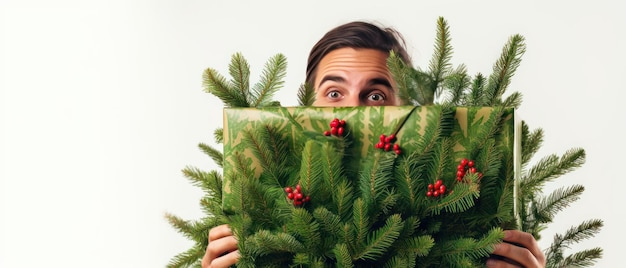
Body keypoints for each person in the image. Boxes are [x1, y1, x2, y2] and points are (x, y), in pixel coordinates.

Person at [202, 21, 546, 268]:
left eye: (376, 94)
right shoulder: (265, 189)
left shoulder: (441, 193)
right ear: (306, 105)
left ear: (408, 110)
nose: (354, 109)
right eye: (334, 93)